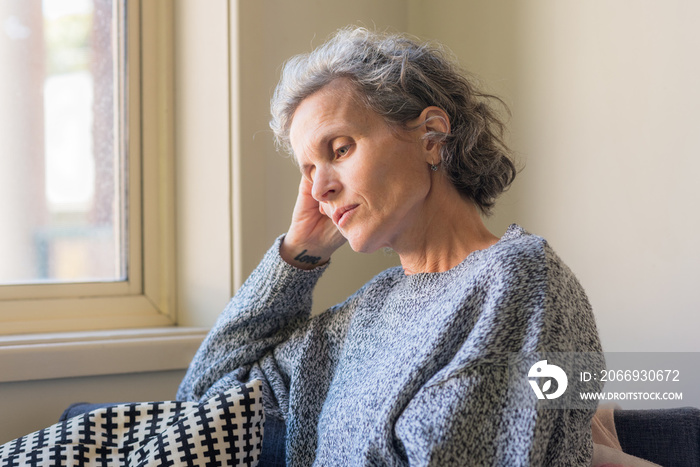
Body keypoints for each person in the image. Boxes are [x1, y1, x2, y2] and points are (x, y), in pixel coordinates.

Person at [177, 26, 603, 466]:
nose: (319, 188)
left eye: (339, 150)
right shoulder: (369, 309)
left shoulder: (518, 277)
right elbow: (203, 410)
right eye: (308, 170)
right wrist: (299, 254)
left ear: (432, 137)